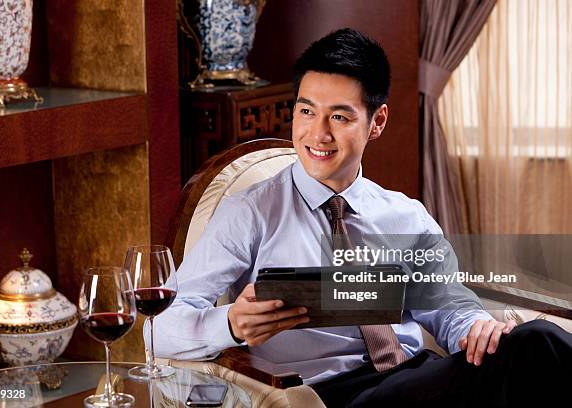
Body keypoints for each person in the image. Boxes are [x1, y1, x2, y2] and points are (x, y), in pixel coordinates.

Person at [153, 28, 572, 407]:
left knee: (529, 345)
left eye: (339, 116)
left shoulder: (406, 216)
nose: (318, 134)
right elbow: (158, 328)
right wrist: (228, 323)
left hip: (417, 377)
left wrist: (477, 325)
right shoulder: (250, 212)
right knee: (538, 346)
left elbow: (448, 306)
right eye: (306, 111)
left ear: (377, 122)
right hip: (327, 395)